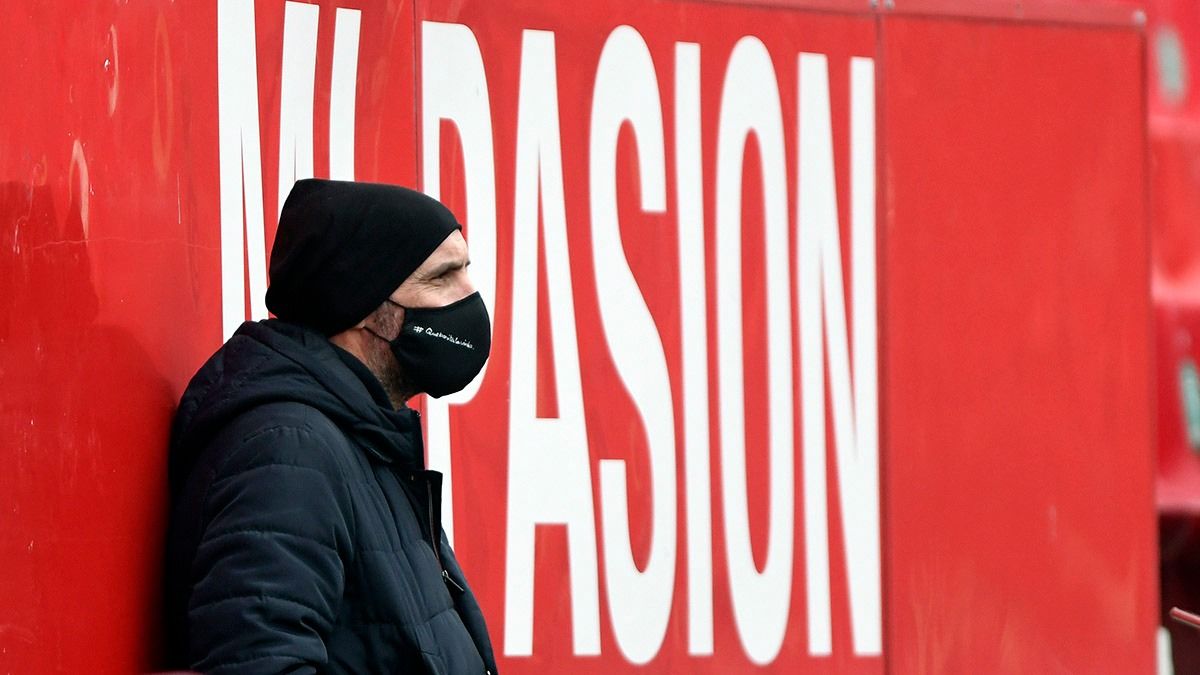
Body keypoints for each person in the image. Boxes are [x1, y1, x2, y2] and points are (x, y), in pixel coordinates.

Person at [163, 179, 497, 674]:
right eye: (442, 278)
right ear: (365, 309)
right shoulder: (288, 453)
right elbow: (259, 661)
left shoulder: (364, 443)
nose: (469, 297)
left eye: (466, 270)